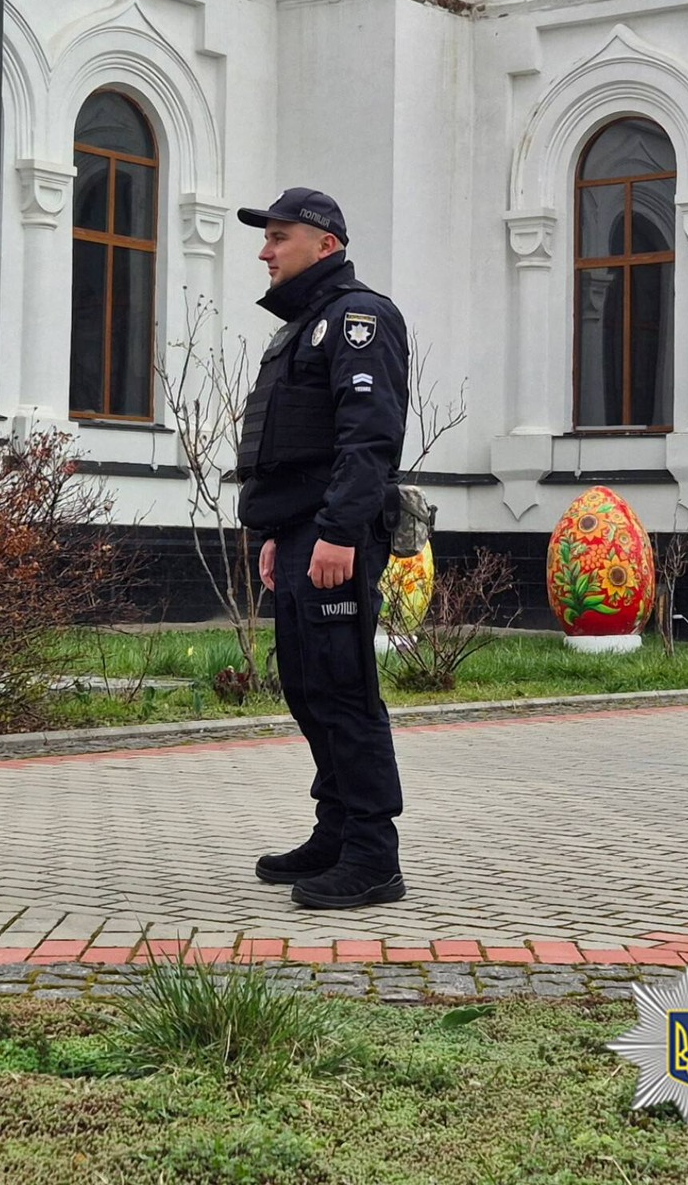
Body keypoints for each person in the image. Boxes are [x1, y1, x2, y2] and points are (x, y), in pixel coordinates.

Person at [235, 188, 411, 909]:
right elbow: (294, 448)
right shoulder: (304, 326)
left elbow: (368, 439)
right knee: (308, 688)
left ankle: (374, 854)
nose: (265, 251)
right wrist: (281, 533)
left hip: (337, 535)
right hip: (303, 533)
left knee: (343, 691)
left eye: (279, 237)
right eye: (267, 238)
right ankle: (335, 829)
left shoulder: (359, 320)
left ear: (325, 244)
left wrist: (338, 533)